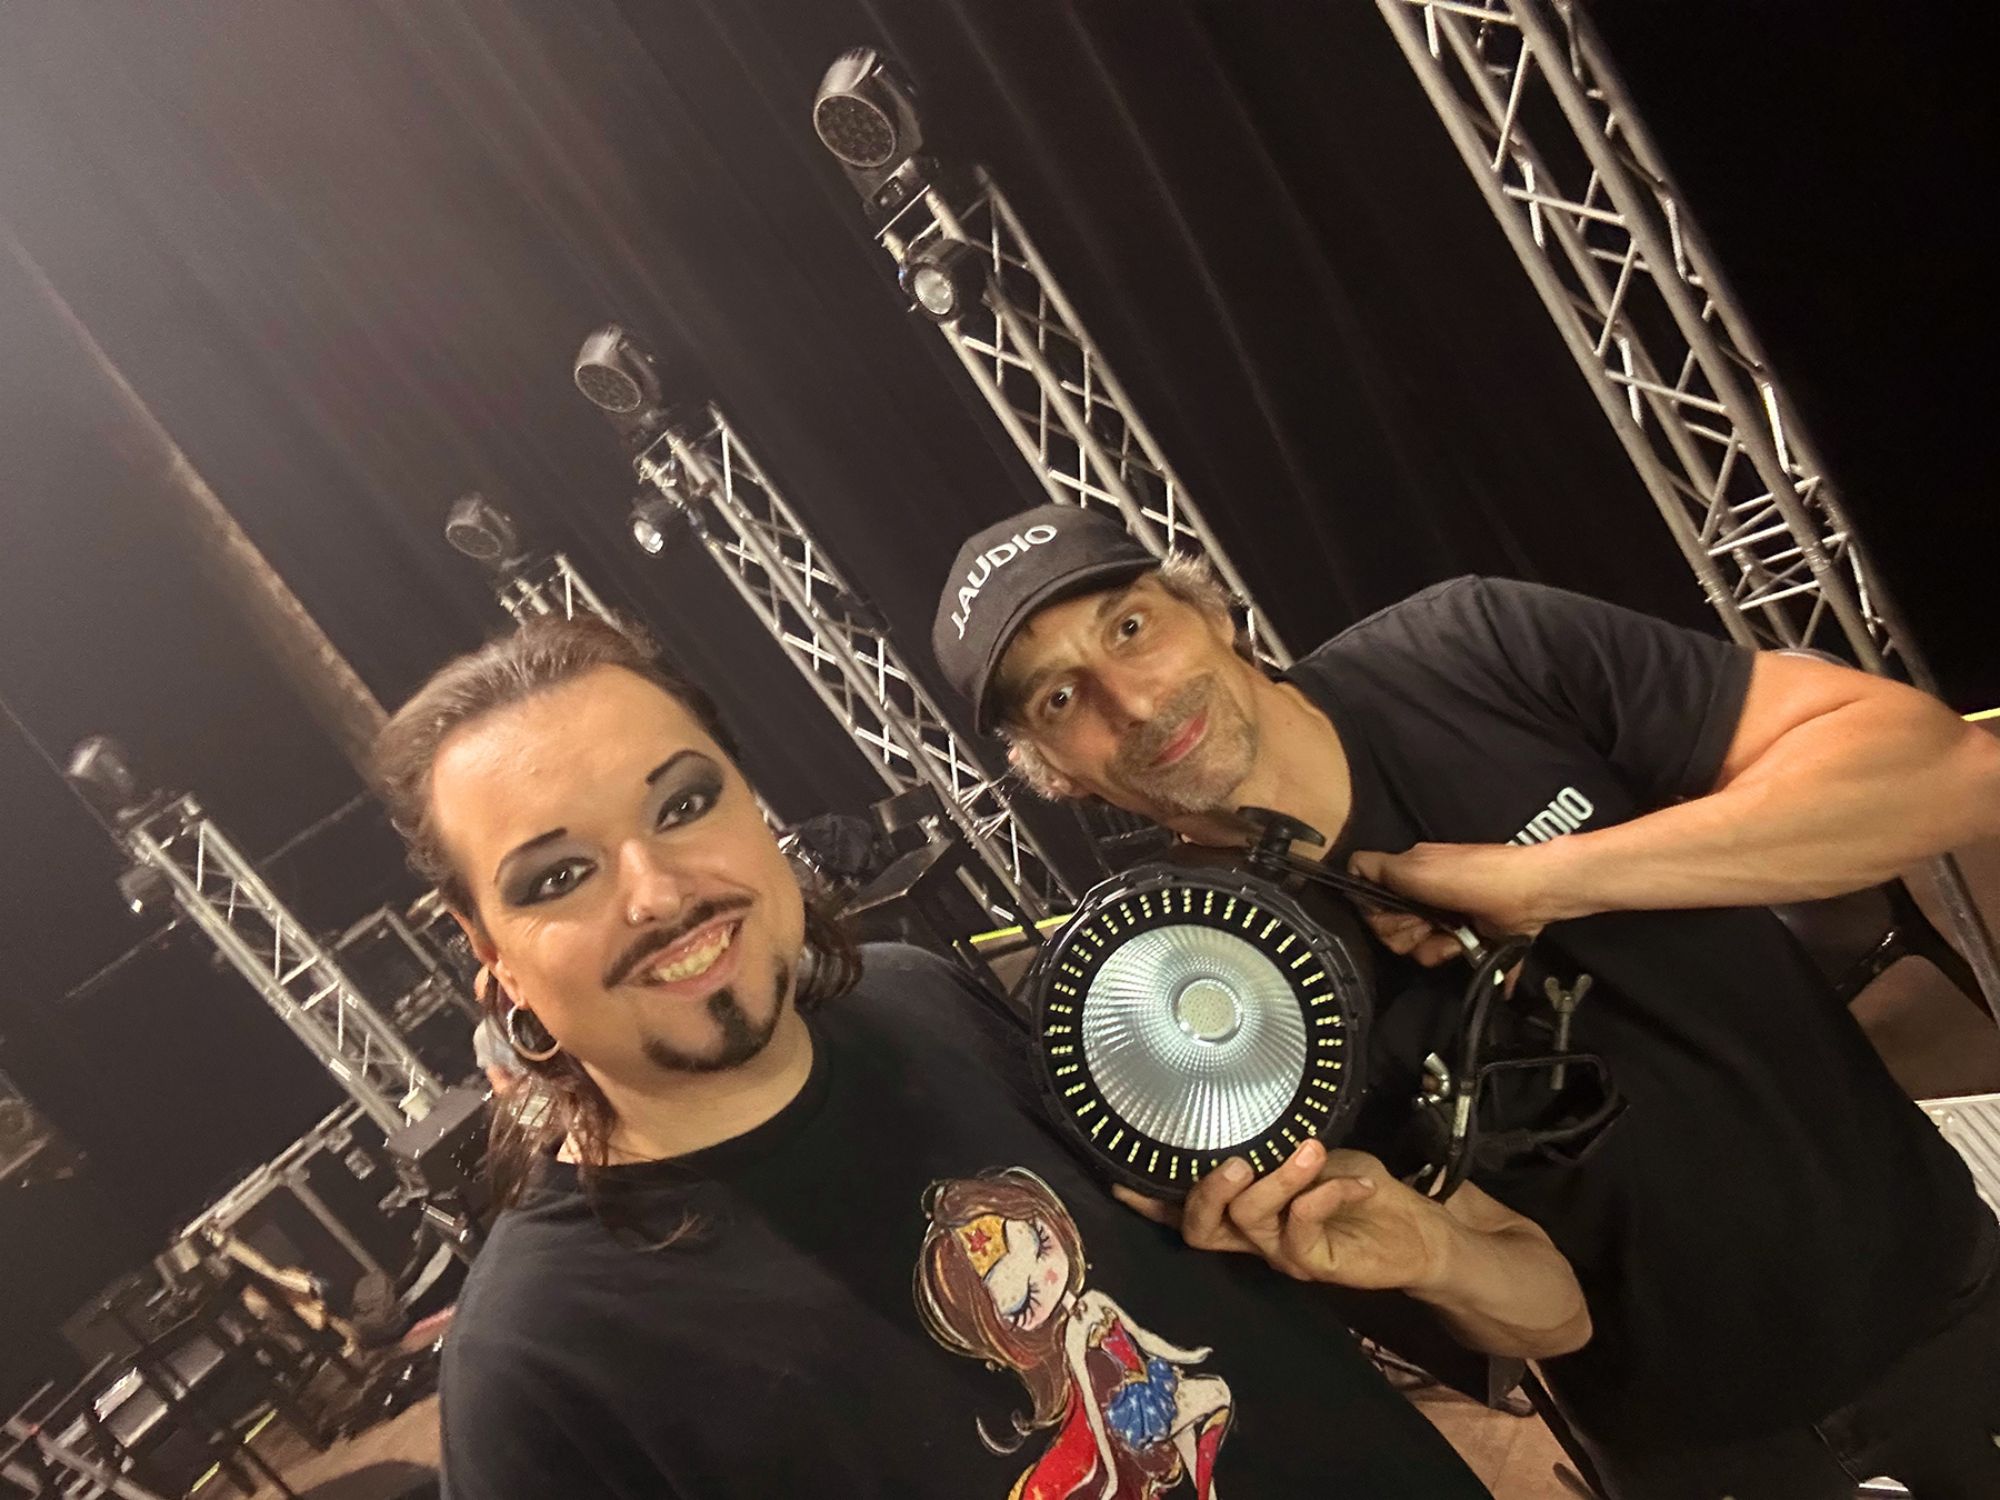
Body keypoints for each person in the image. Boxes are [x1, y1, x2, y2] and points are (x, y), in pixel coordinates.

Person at [370, 614, 1589, 1500]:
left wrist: (1408, 1247)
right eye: (557, 876)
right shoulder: (538, 1366)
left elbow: (1535, 1311)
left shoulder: (921, 998)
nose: (657, 891)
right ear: (491, 956)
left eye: (684, 803)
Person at [932, 502, 2000, 1499]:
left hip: (1949, 1288)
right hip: (1699, 1451)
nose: (1131, 702)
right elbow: (1553, 1315)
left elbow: (1951, 773)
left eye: (1129, 628)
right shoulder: (1182, 1013)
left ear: (1207, 610)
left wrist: (1545, 880)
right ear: (1052, 771)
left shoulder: (1473, 649)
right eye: (1059, 699)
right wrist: (1432, 1256)